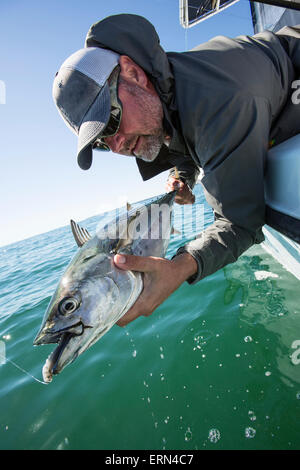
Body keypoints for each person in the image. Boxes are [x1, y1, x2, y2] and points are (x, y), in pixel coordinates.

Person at [52, 14, 300, 326]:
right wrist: (184, 177)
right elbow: (184, 138)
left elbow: (241, 225)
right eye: (102, 143)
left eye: (110, 121)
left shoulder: (220, 100)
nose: (116, 146)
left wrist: (181, 266)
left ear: (133, 73)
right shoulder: (166, 94)